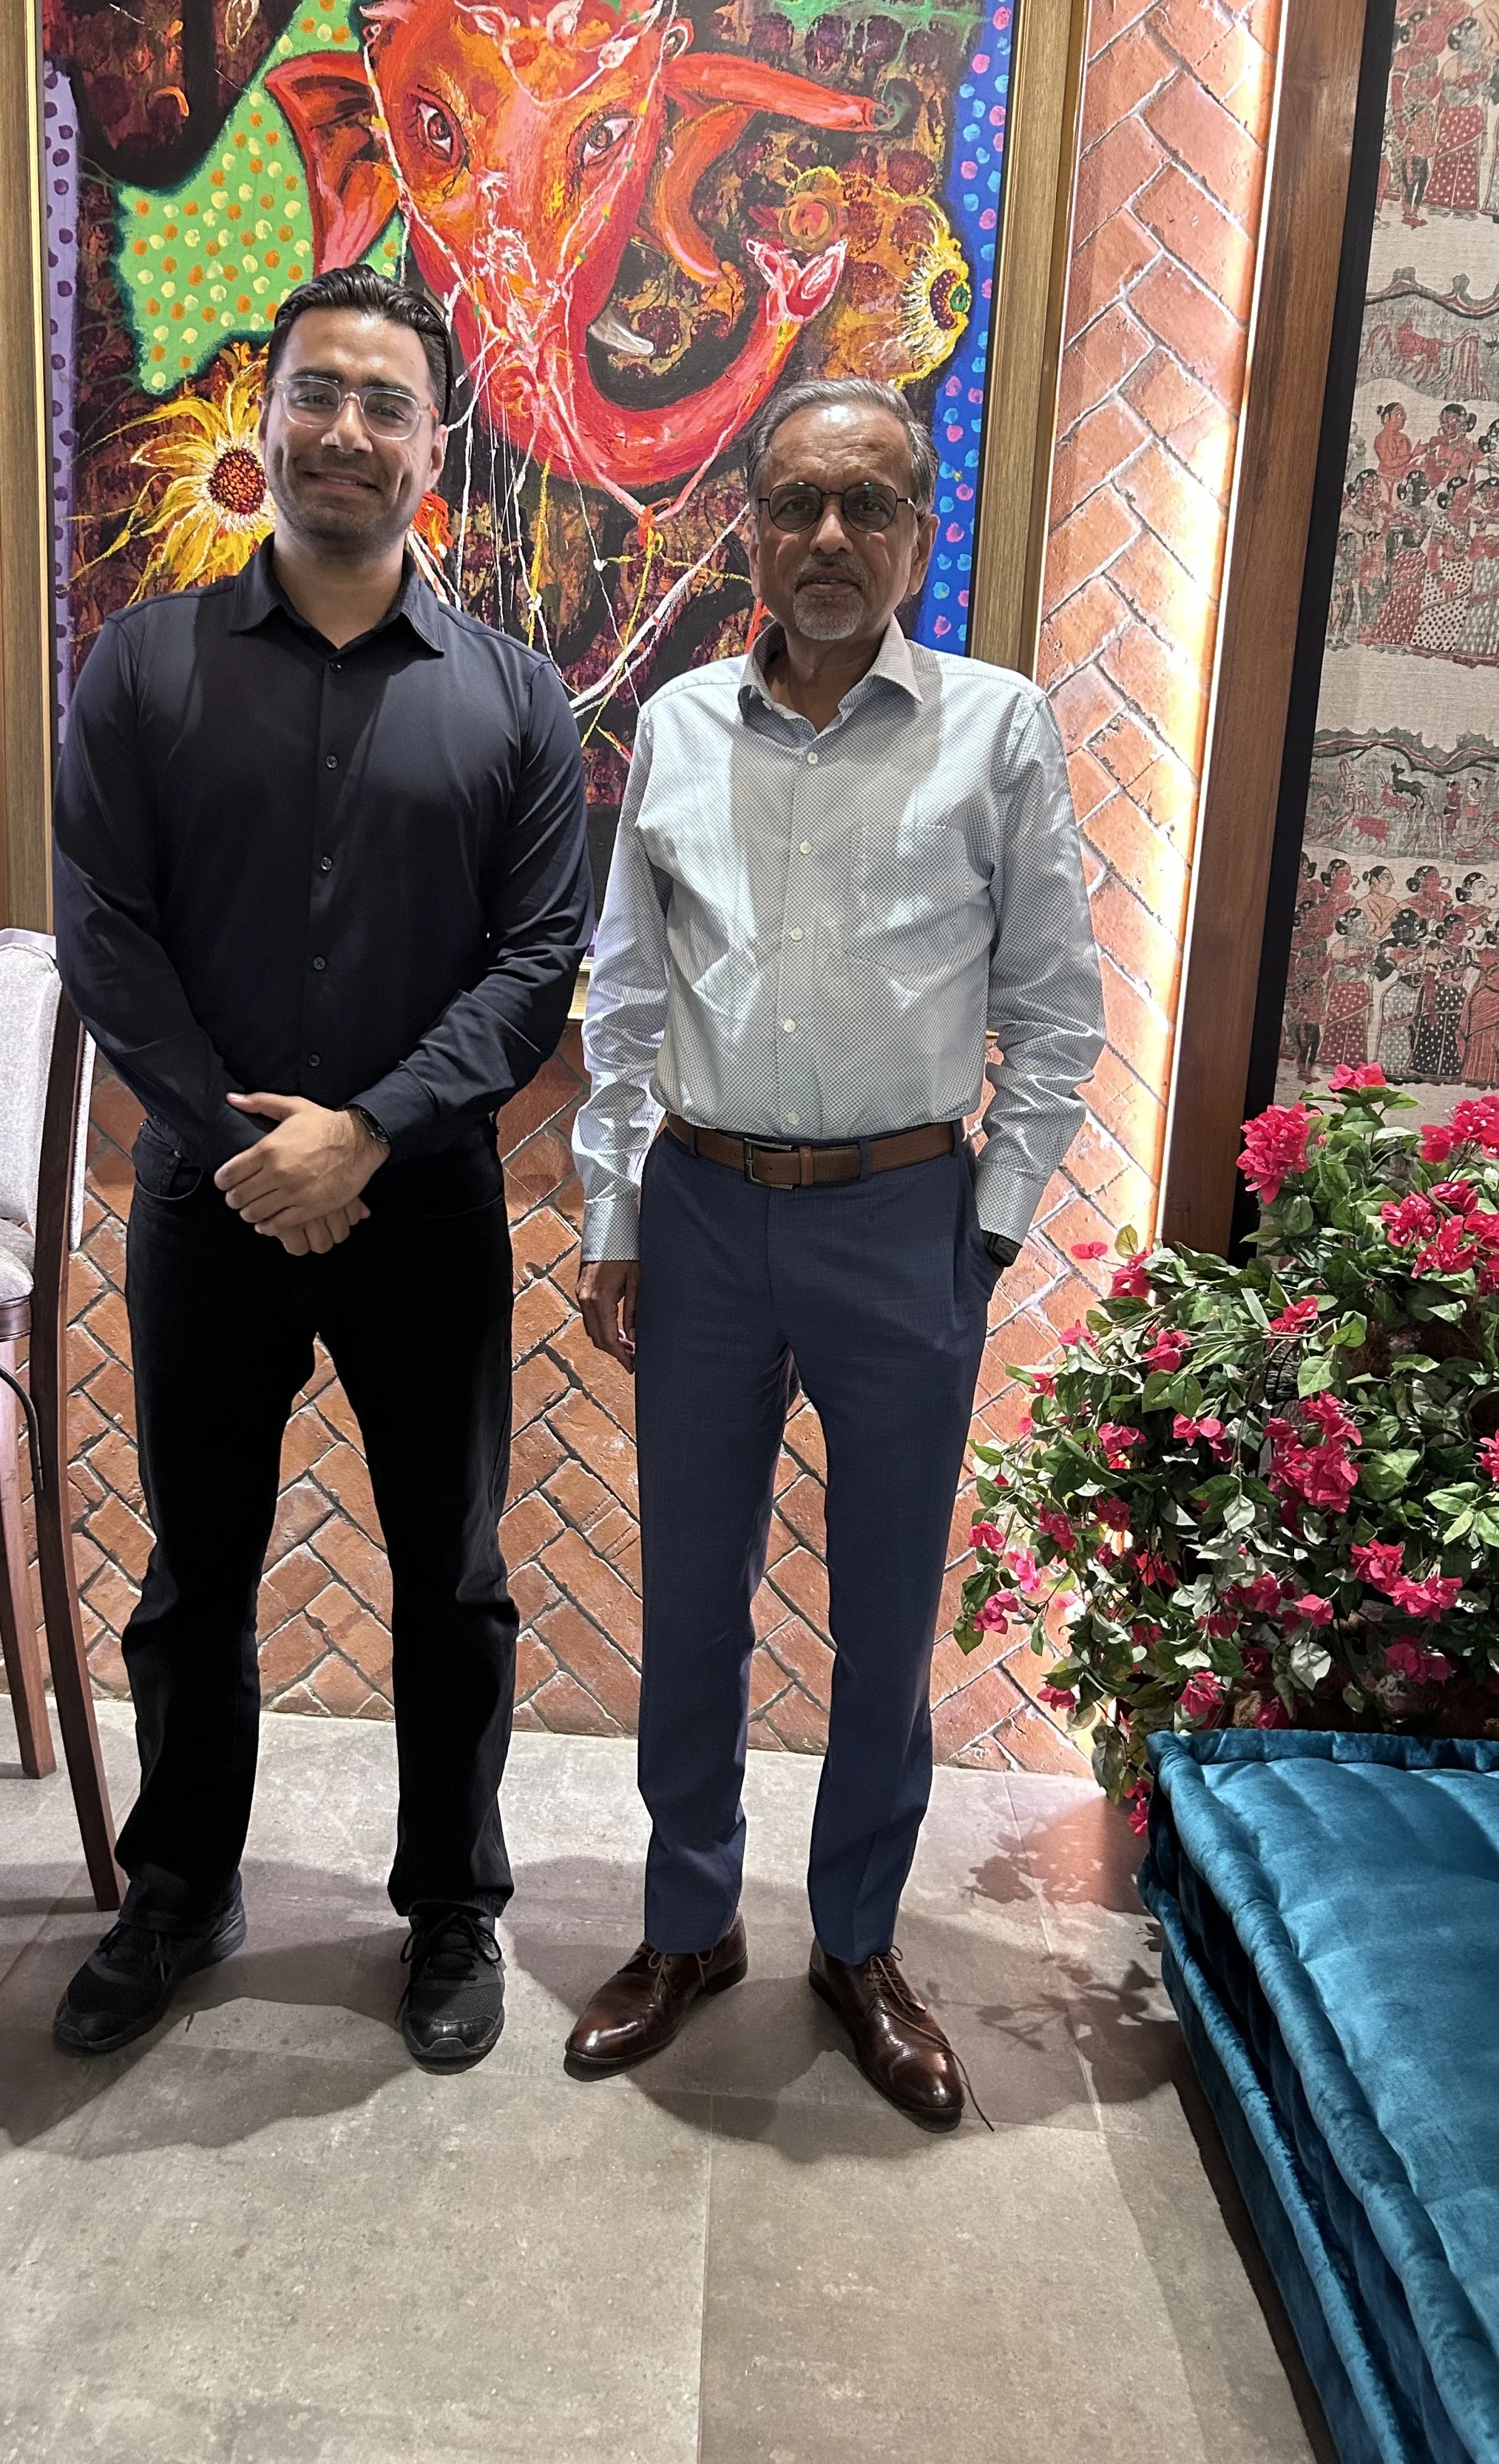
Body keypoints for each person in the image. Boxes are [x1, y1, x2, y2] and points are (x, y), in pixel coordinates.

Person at [50, 265, 592, 2066]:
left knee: (450, 1578)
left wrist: (366, 1132)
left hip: (425, 1204)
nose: (347, 428)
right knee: (194, 1573)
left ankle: (451, 1910)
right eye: (318, 392)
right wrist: (240, 1142)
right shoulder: (139, 668)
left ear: (435, 449)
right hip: (207, 1205)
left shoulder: (519, 704)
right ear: (264, 412)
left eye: (385, 402)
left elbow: (535, 966)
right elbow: (106, 937)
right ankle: (180, 1890)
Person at [565, 376, 1104, 2127]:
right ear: (746, 522)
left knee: (883, 1621)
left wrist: (989, 1225)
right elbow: (627, 989)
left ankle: (859, 1940)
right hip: (706, 1217)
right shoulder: (676, 725)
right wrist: (613, 1205)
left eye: (865, 507)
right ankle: (687, 1921)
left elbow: (1053, 1010)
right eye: (794, 502)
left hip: (900, 1222)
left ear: (916, 537)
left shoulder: (996, 730)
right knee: (689, 1609)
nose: (824, 538)